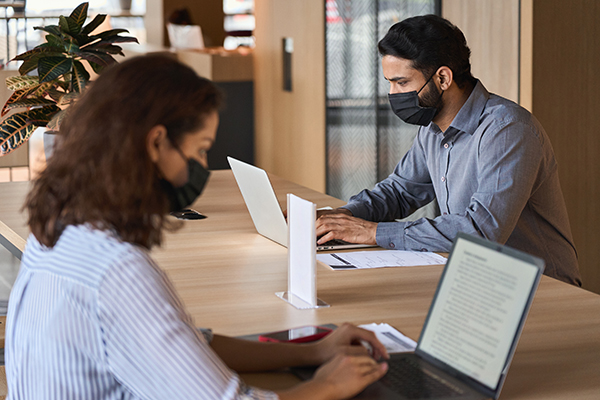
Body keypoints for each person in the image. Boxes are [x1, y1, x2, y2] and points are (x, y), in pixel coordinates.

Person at [5, 55, 388, 399]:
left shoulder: (60, 229)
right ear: (156, 143)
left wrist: (313, 352)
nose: (201, 165)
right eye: (200, 149)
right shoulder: (116, 271)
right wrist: (327, 385)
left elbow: (184, 346)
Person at [316, 14, 582, 286]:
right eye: (390, 83)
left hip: (539, 288)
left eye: (402, 82)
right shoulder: (432, 126)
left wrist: (374, 232)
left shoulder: (507, 130)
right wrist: (342, 217)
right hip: (477, 279)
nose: (393, 94)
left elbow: (481, 231)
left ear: (443, 78)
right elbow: (401, 191)